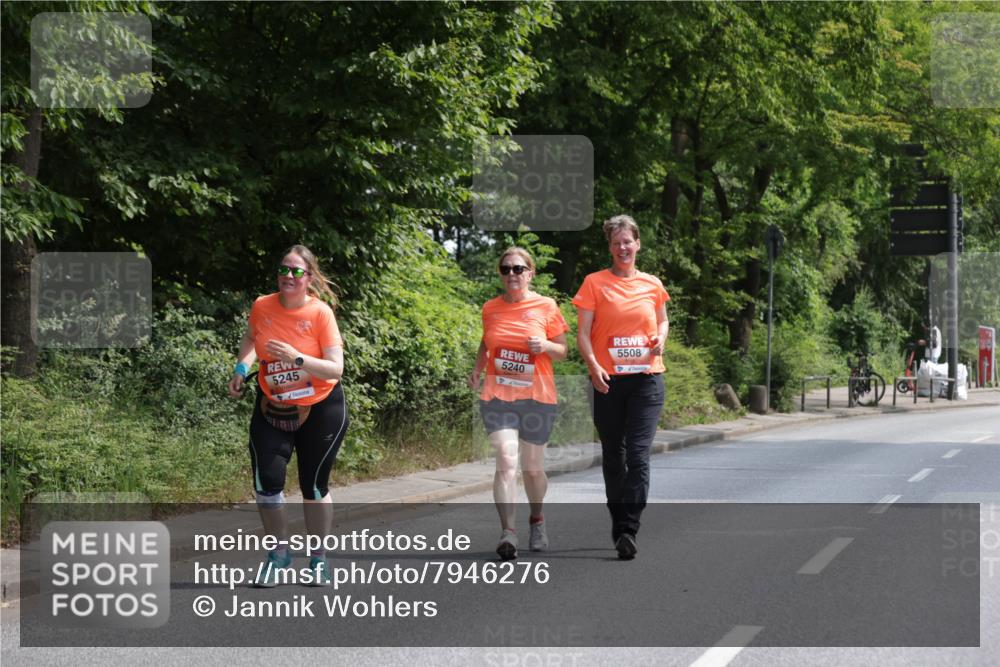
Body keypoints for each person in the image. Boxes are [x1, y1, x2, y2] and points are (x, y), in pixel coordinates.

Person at [228, 244, 348, 586]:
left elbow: (335, 368)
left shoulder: (320, 313)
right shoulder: (262, 306)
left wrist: (297, 358)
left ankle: (318, 560)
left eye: (297, 271)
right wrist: (240, 368)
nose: (288, 276)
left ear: (309, 278)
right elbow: (251, 338)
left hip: (321, 407)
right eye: (284, 269)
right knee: (266, 481)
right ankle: (278, 555)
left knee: (313, 485)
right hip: (272, 404)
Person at [572, 215, 669, 560]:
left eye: (628, 241)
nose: (623, 248)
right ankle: (620, 526)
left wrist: (661, 339)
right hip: (607, 380)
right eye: (616, 243)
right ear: (610, 247)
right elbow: (582, 333)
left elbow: (661, 319)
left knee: (638, 455)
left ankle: (628, 528)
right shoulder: (594, 283)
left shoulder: (652, 284)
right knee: (614, 456)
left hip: (647, 379)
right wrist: (594, 366)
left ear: (638, 244)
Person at [468, 247, 569, 560]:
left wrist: (546, 345)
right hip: (498, 395)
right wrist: (477, 368)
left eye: (519, 269)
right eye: (506, 269)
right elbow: (488, 341)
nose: (513, 274)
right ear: (500, 273)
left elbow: (563, 351)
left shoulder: (546, 305)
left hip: (537, 397)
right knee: (506, 459)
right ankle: (508, 532)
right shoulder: (491, 308)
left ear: (531, 273)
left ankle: (537, 519)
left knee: (533, 470)